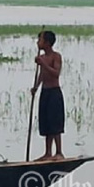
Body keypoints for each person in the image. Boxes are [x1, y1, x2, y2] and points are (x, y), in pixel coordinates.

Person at [30, 30, 65, 161]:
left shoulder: (56, 56)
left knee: (55, 122)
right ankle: (48, 152)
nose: (38, 43)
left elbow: (55, 73)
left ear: (47, 43)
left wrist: (42, 63)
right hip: (45, 92)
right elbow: (42, 74)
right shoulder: (43, 58)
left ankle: (59, 152)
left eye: (40, 40)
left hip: (54, 92)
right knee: (46, 122)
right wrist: (35, 87)